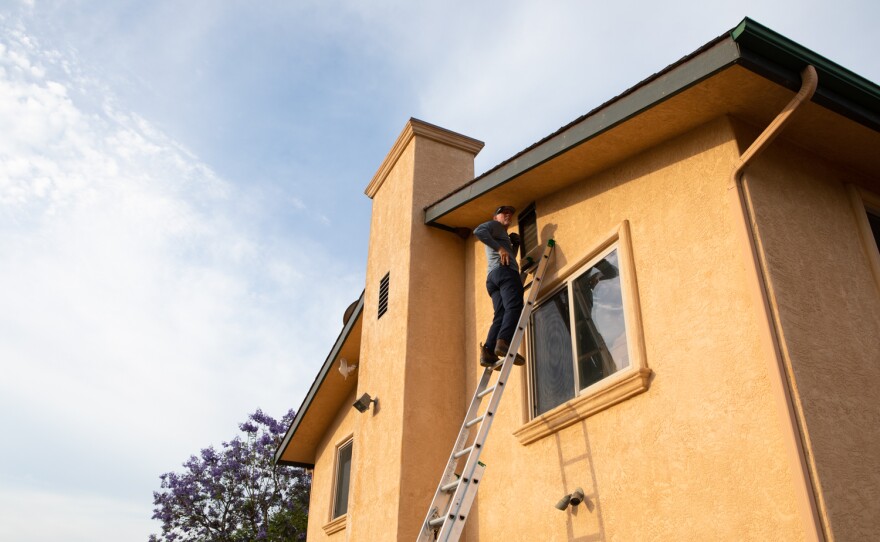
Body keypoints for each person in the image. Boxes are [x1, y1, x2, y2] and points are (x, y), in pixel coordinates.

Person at [474, 205, 526, 368]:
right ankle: (503, 342)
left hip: (493, 278)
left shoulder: (501, 235)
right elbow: (478, 231)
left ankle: (488, 351)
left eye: (510, 213)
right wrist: (502, 248)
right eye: (503, 213)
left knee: (501, 313)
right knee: (515, 307)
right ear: (495, 217)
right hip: (504, 273)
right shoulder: (494, 226)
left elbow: (507, 257)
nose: (508, 215)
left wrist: (513, 246)